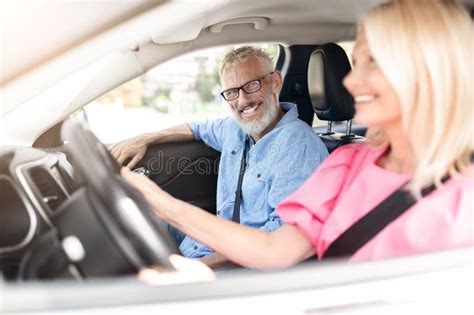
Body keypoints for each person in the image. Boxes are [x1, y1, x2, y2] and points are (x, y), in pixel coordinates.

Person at [123, 0, 473, 270]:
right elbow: (276, 250)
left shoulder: (464, 197)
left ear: (427, 71)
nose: (349, 82)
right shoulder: (349, 163)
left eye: (373, 63)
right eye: (356, 62)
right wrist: (157, 200)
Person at [111, 46, 329, 268]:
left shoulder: (299, 146)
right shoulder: (235, 128)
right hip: (205, 243)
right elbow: (198, 128)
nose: (243, 101)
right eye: (232, 92)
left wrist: (199, 267)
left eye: (251, 85)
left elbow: (280, 241)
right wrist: (147, 138)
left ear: (275, 82)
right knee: (127, 222)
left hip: (240, 267)